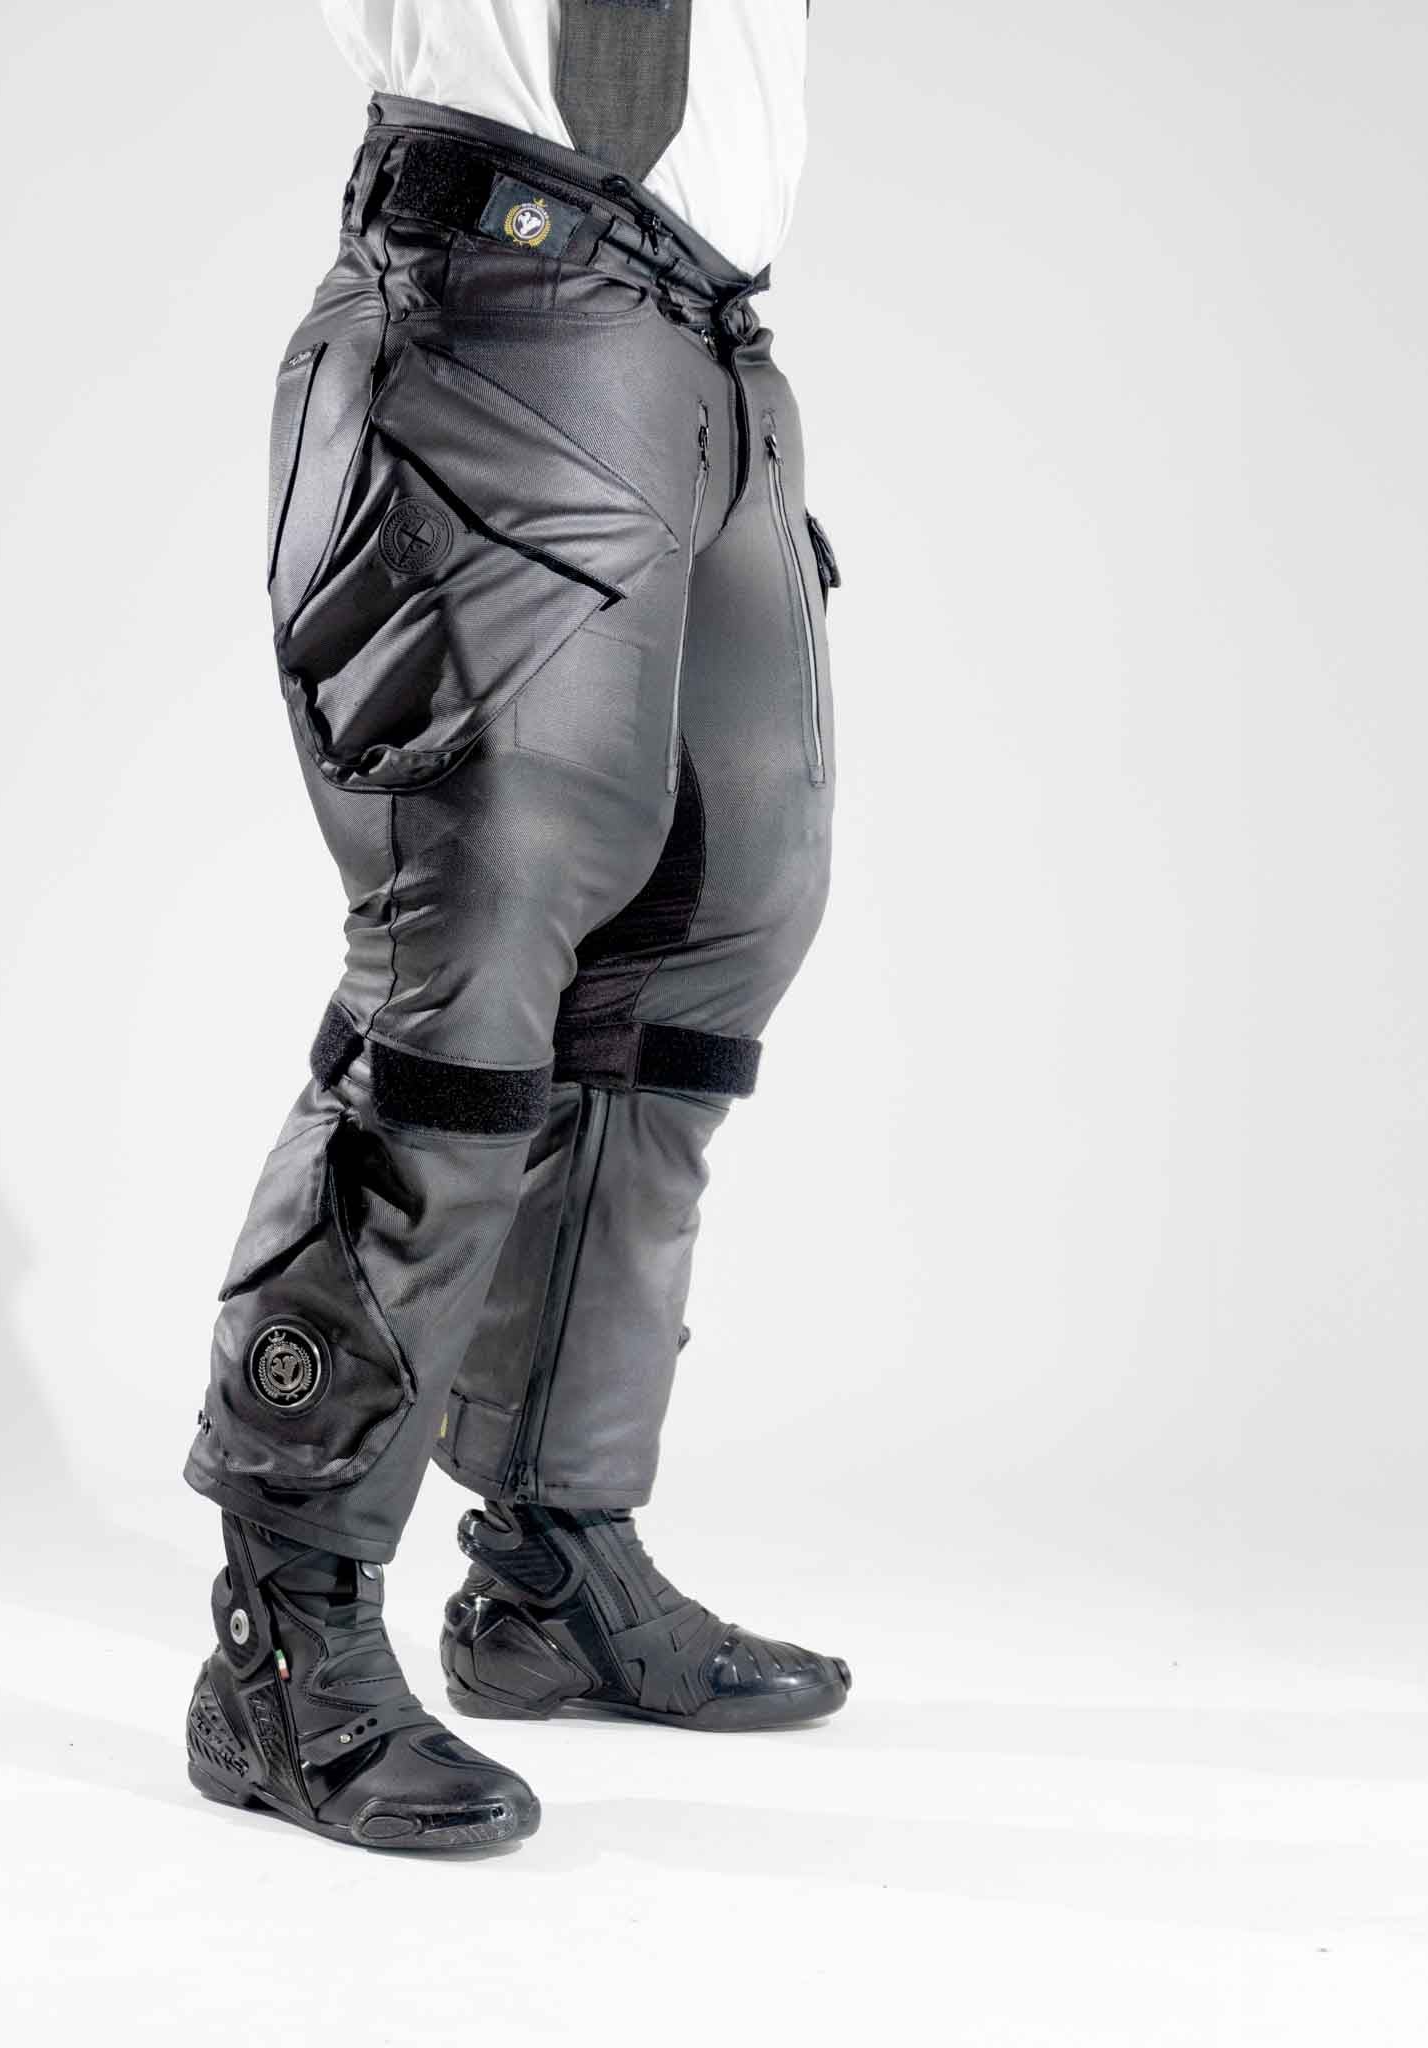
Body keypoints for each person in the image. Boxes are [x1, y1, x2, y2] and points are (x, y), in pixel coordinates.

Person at [184, 0, 849, 1852]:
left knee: (706, 942)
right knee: (465, 974)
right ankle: (282, 1642)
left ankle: (553, 1567)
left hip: (711, 351)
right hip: (496, 302)